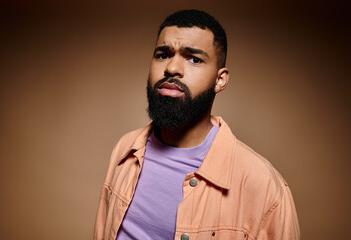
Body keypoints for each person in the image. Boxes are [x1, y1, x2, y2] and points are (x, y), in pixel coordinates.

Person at [94, 9, 300, 240]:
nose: (172, 68)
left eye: (194, 59)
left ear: (219, 80)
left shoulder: (264, 186)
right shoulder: (127, 148)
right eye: (163, 54)